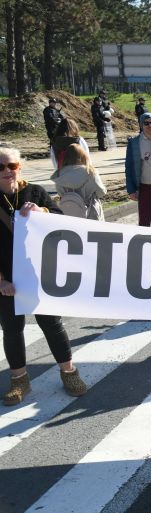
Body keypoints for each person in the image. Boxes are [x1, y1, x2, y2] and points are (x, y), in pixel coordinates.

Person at [0, 145, 87, 405]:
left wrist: (42, 212)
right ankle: (19, 379)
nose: (7, 172)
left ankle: (69, 372)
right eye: (1, 167)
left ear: (19, 167)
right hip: (6, 280)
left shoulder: (35, 192)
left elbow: (61, 220)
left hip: (38, 274)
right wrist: (1, 281)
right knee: (12, 329)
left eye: (11, 166)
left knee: (51, 323)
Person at [51, 144, 107, 220]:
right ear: (83, 156)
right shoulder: (89, 172)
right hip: (91, 211)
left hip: (69, 211)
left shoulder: (59, 174)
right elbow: (101, 192)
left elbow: (60, 193)